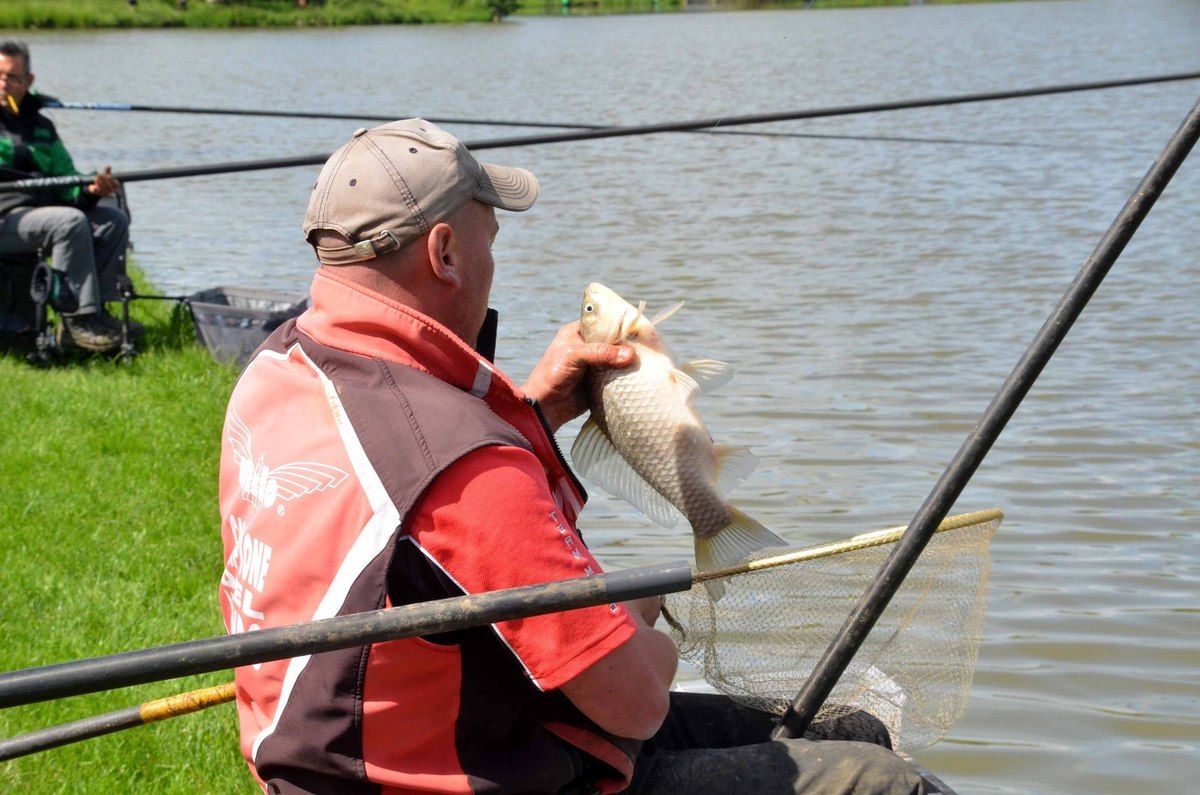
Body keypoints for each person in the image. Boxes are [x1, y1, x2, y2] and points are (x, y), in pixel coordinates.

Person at [218, 119, 925, 794]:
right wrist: (639, 612)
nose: (494, 266)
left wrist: (534, 413)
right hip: (465, 774)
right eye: (491, 242)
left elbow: (414, 523)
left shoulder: (275, 374)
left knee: (849, 729)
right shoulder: (464, 471)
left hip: (341, 759)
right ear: (445, 253)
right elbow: (637, 703)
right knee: (885, 781)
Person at [0, 40, 131, 353]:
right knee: (68, 222)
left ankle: (98, 313)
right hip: (5, 219)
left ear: (29, 81)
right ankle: (77, 320)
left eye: (12, 77)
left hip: (40, 213)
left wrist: (91, 191)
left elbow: (68, 182)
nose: (3, 83)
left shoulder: (42, 127)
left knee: (113, 220)